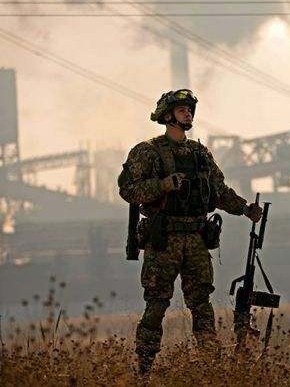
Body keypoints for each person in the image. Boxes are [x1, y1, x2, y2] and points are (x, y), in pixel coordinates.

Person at [117, 89, 262, 375]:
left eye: (190, 110)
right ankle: (144, 368)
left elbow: (218, 191)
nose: (188, 114)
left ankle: (210, 365)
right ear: (167, 115)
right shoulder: (147, 152)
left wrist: (245, 209)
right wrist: (162, 186)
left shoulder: (199, 153)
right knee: (157, 304)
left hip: (196, 238)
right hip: (164, 239)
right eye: (183, 109)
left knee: (202, 304)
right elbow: (127, 190)